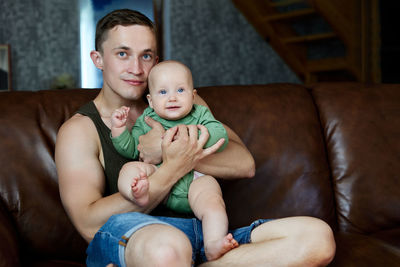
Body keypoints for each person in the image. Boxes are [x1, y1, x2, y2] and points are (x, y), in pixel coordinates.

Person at [55, 8, 336, 267]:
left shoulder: (182, 101)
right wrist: (174, 164)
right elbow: (89, 224)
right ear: (98, 59)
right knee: (168, 249)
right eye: (122, 54)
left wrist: (167, 149)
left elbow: (244, 163)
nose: (137, 69)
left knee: (317, 238)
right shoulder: (80, 130)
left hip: (201, 235)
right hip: (136, 237)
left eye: (146, 55)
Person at [111, 60, 238, 260]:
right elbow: (131, 149)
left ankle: (213, 244)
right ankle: (136, 193)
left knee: (214, 202)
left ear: (193, 96)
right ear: (151, 101)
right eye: (163, 92)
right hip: (160, 181)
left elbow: (219, 136)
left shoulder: (200, 114)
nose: (172, 98)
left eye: (180, 90)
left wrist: (174, 139)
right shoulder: (146, 119)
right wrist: (118, 130)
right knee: (130, 168)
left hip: (196, 180)